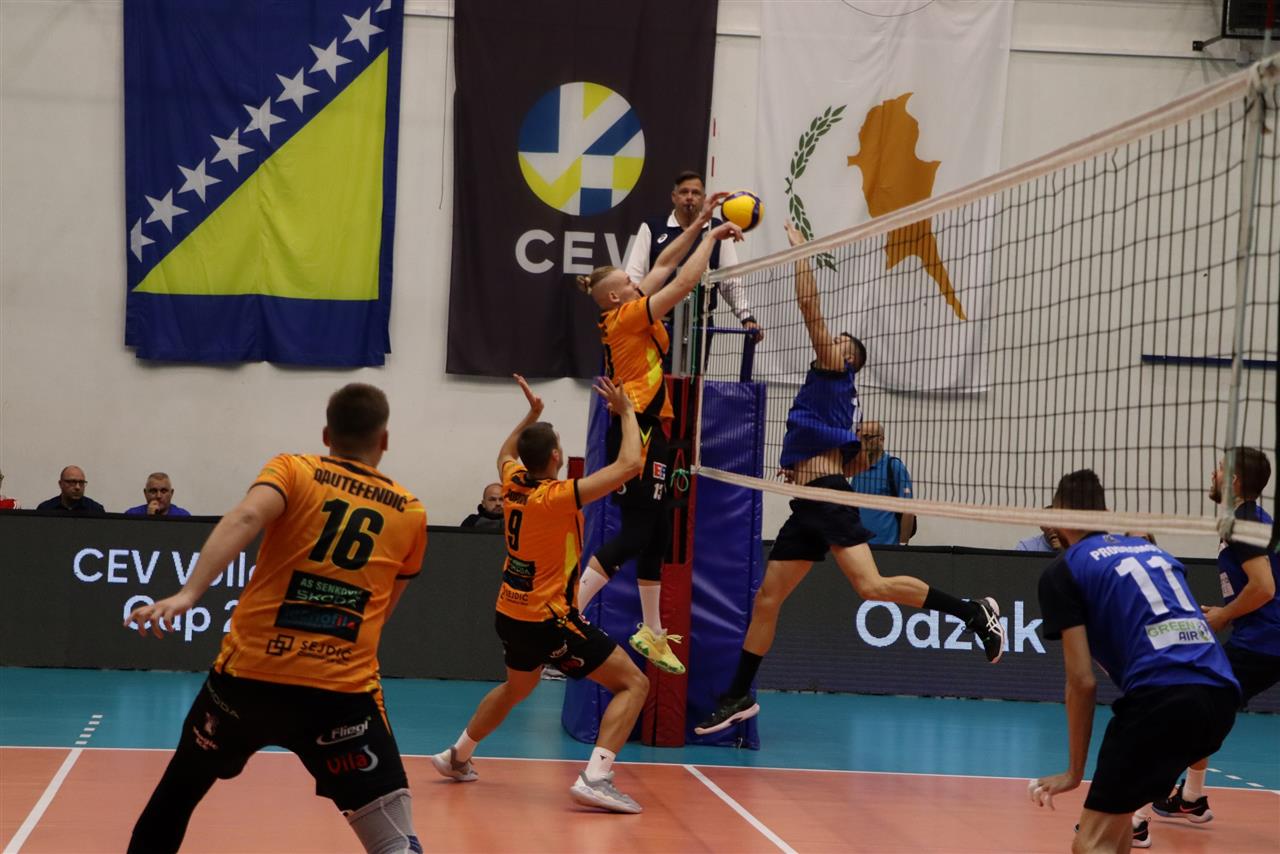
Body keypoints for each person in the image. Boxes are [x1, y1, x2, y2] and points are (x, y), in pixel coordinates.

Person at [695, 223, 1005, 736]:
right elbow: (852, 462)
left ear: (849, 360)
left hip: (827, 500)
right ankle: (738, 695)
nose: (830, 341)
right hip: (810, 502)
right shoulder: (834, 399)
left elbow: (809, 309)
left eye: (840, 342)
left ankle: (972, 613)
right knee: (768, 598)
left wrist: (804, 252)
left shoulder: (835, 374)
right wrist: (802, 466)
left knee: (872, 586)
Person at [124, 384, 428, 854]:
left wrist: (189, 594)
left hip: (248, 683)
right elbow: (384, 609)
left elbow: (246, 517)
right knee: (394, 840)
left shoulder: (294, 469)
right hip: (341, 695)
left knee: (176, 798)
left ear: (326, 434)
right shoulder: (409, 511)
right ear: (384, 439)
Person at [430, 374, 650, 813]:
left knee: (517, 687)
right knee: (633, 683)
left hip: (510, 612)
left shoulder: (512, 482)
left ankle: (457, 756)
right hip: (549, 619)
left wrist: (531, 415)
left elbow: (503, 453)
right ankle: (596, 778)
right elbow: (629, 465)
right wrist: (627, 412)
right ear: (555, 457)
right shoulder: (556, 497)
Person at [574, 193, 743, 676]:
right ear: (615, 297)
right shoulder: (629, 315)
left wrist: (700, 222)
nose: (636, 281)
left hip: (654, 429)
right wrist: (713, 238)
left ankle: (651, 629)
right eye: (628, 282)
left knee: (658, 534)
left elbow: (666, 263)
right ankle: (567, 611)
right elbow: (684, 281)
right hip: (637, 433)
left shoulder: (626, 306)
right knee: (636, 532)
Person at [1031, 469, 1239, 854]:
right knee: (1118, 830)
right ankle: (1185, 800)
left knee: (1090, 843)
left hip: (1161, 701)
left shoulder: (1064, 570)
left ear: (1058, 516)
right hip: (1222, 697)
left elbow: (1082, 681)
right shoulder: (1156, 553)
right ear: (1105, 513)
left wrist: (1074, 772)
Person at [1150, 448, 1279, 824]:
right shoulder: (1247, 520)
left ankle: (1137, 816)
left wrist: (1224, 614)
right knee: (1201, 710)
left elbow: (1264, 587)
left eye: (1221, 468)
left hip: (1264, 642)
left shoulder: (1244, 522)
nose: (1213, 473)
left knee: (1191, 709)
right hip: (1261, 640)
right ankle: (1191, 799)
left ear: (1234, 481)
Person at [625, 170, 762, 353]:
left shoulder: (718, 229)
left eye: (695, 193)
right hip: (658, 324)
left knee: (695, 373)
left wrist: (746, 317)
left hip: (700, 327)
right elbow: (634, 277)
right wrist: (631, 317)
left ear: (704, 199)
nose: (689, 197)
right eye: (684, 192)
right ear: (674, 197)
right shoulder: (652, 227)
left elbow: (730, 281)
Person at [847, 420, 915, 545]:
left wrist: (903, 545)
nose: (863, 443)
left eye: (867, 437)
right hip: (860, 545)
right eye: (860, 438)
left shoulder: (894, 466)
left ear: (881, 439)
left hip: (886, 547)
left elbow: (908, 510)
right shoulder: (857, 468)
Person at [36, 465, 105, 513]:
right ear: (60, 484)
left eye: (81, 482)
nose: (77, 487)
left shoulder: (95, 509)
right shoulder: (46, 509)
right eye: (72, 482)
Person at [124, 472, 191, 517]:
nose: (158, 496)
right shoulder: (131, 515)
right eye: (153, 491)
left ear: (171, 493)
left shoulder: (183, 516)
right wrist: (148, 519)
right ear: (145, 493)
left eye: (163, 491)